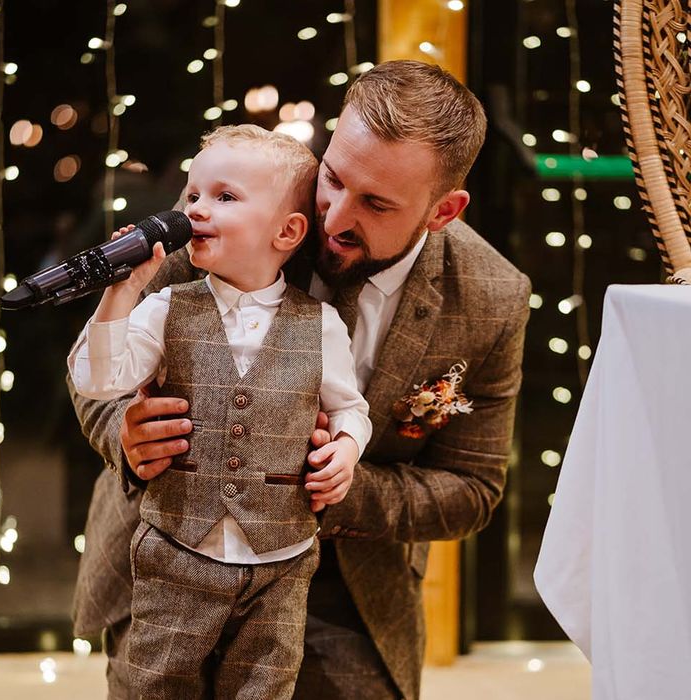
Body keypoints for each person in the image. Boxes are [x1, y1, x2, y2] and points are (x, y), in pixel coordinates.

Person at [68, 60, 531, 700]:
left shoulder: (492, 297)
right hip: (171, 546)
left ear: (443, 210)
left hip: (351, 584)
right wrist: (125, 431)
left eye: (375, 203)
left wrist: (325, 485)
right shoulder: (236, 202)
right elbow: (104, 363)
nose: (333, 216)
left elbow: (471, 488)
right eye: (333, 178)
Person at [68, 124, 372, 699]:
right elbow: (98, 378)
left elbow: (350, 408)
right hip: (176, 551)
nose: (196, 211)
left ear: (287, 231)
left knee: (265, 688)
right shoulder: (165, 306)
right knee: (155, 684)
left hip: (280, 562)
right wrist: (120, 293)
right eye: (192, 195)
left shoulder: (321, 323)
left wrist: (347, 448)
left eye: (224, 197)